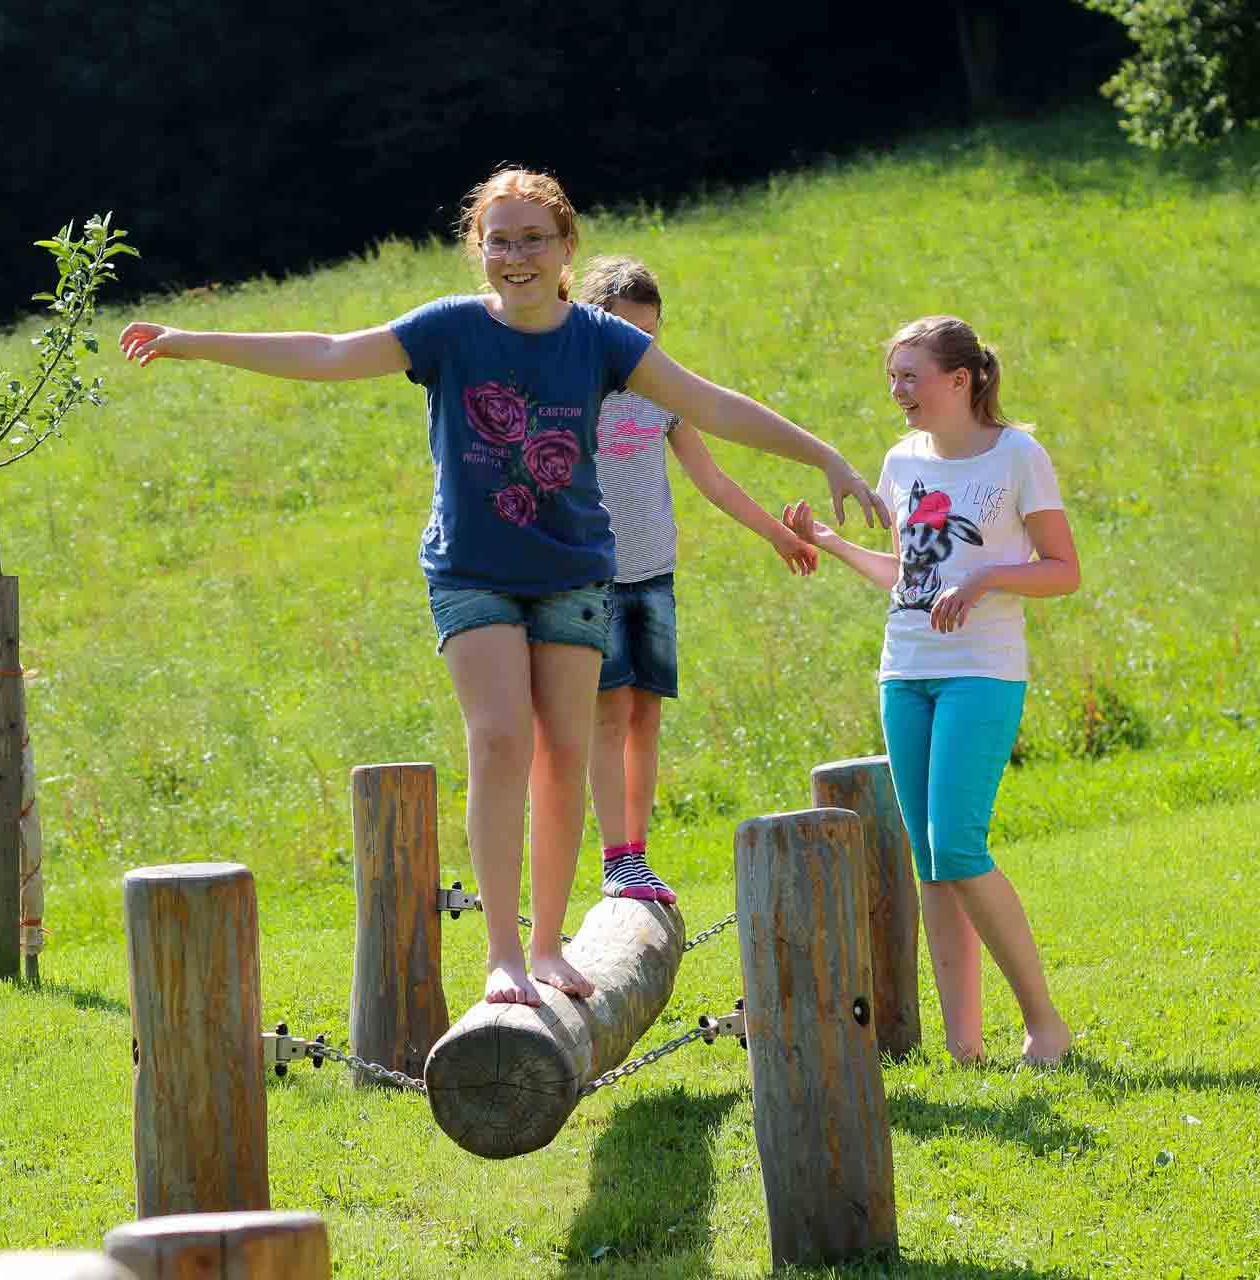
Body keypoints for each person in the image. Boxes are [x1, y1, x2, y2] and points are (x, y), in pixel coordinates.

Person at [118, 168, 887, 1008]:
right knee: (498, 741)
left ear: (565, 247)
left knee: (562, 752)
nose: (516, 256)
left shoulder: (602, 339)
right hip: (472, 571)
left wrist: (824, 455)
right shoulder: (448, 329)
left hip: (572, 570)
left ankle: (549, 946)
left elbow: (712, 404)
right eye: (500, 241)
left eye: (533, 239)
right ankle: (503, 957)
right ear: (477, 248)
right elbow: (331, 352)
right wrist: (194, 339)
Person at [783, 315, 1080, 1066]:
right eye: (893, 377)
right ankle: (965, 1048)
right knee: (932, 863)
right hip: (904, 671)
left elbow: (1063, 569)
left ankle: (1045, 1026)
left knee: (957, 844)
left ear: (961, 379)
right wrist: (832, 544)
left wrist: (985, 579)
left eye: (910, 377)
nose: (898, 391)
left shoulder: (1018, 455)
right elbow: (906, 575)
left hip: (982, 672)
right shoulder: (902, 460)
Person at [576, 256, 819, 906]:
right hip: (593, 582)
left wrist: (776, 533)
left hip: (654, 576)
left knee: (646, 715)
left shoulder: (665, 394)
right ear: (594, 325)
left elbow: (711, 480)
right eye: (627, 333)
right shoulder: (573, 392)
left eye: (650, 334)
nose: (640, 348)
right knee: (609, 714)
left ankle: (637, 854)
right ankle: (616, 858)